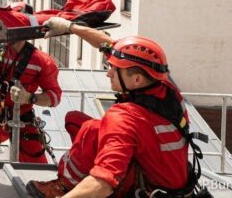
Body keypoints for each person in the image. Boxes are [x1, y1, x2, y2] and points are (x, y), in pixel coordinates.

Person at [26, 18, 203, 198]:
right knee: (76, 120)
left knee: (90, 130)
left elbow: (104, 183)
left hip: (146, 191)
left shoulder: (125, 117)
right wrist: (70, 27)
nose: (108, 73)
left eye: (115, 69)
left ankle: (63, 187)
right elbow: (109, 44)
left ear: (137, 80)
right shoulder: (166, 89)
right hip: (175, 186)